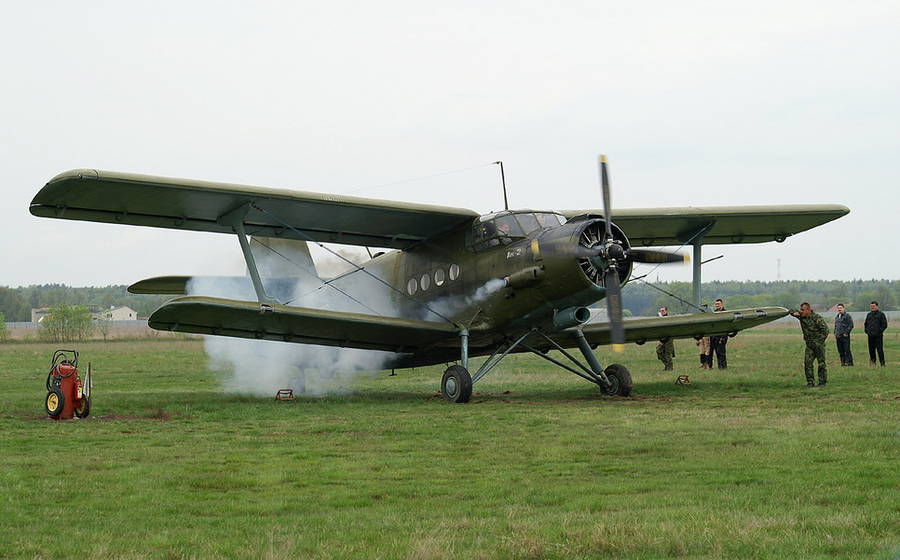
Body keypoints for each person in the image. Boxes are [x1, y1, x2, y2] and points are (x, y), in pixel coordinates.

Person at [789, 303, 829, 387]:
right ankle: (810, 382)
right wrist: (797, 313)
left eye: (803, 310)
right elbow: (791, 311)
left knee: (821, 364)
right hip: (809, 345)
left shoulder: (816, 318)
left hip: (819, 345)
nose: (801, 311)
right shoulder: (801, 316)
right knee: (807, 363)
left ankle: (822, 382)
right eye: (801, 310)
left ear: (808, 309)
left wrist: (819, 341)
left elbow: (825, 331)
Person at [864, 301, 888, 366]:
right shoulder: (869, 314)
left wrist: (879, 331)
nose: (872, 307)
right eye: (871, 306)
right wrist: (867, 331)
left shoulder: (881, 314)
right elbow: (866, 324)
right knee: (871, 350)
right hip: (870, 336)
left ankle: (882, 363)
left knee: (879, 350)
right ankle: (873, 363)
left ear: (877, 306)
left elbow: (884, 325)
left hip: (878, 336)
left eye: (874, 306)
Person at [709, 299, 728, 369]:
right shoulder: (715, 313)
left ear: (722, 304)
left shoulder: (725, 312)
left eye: (718, 304)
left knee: (721, 352)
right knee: (716, 352)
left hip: (722, 335)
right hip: (714, 336)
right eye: (716, 304)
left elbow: (726, 325)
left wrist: (723, 336)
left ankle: (723, 367)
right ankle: (719, 366)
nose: (717, 305)